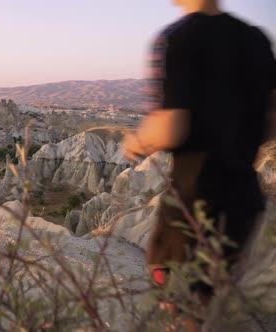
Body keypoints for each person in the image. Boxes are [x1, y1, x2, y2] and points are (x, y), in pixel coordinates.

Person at [122, 0, 276, 316]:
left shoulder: (180, 38)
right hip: (245, 201)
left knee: (179, 309)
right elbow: (272, 121)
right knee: (216, 306)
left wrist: (137, 140)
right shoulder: (256, 39)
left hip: (194, 205)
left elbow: (172, 128)